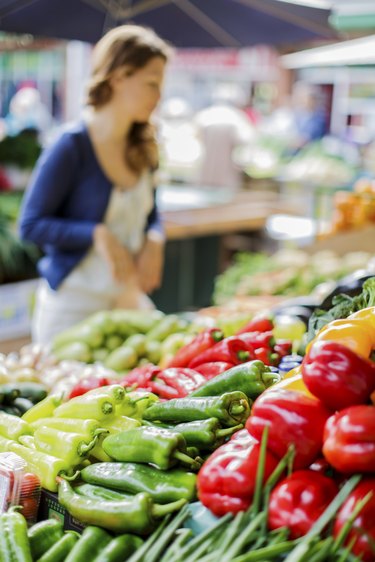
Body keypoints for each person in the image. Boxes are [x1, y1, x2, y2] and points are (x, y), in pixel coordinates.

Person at [19, 25, 172, 344]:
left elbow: (151, 212)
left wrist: (155, 236)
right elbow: (31, 225)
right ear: (119, 77)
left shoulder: (144, 144)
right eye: (151, 84)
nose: (159, 97)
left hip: (127, 303)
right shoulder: (70, 146)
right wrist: (94, 233)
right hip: (72, 311)